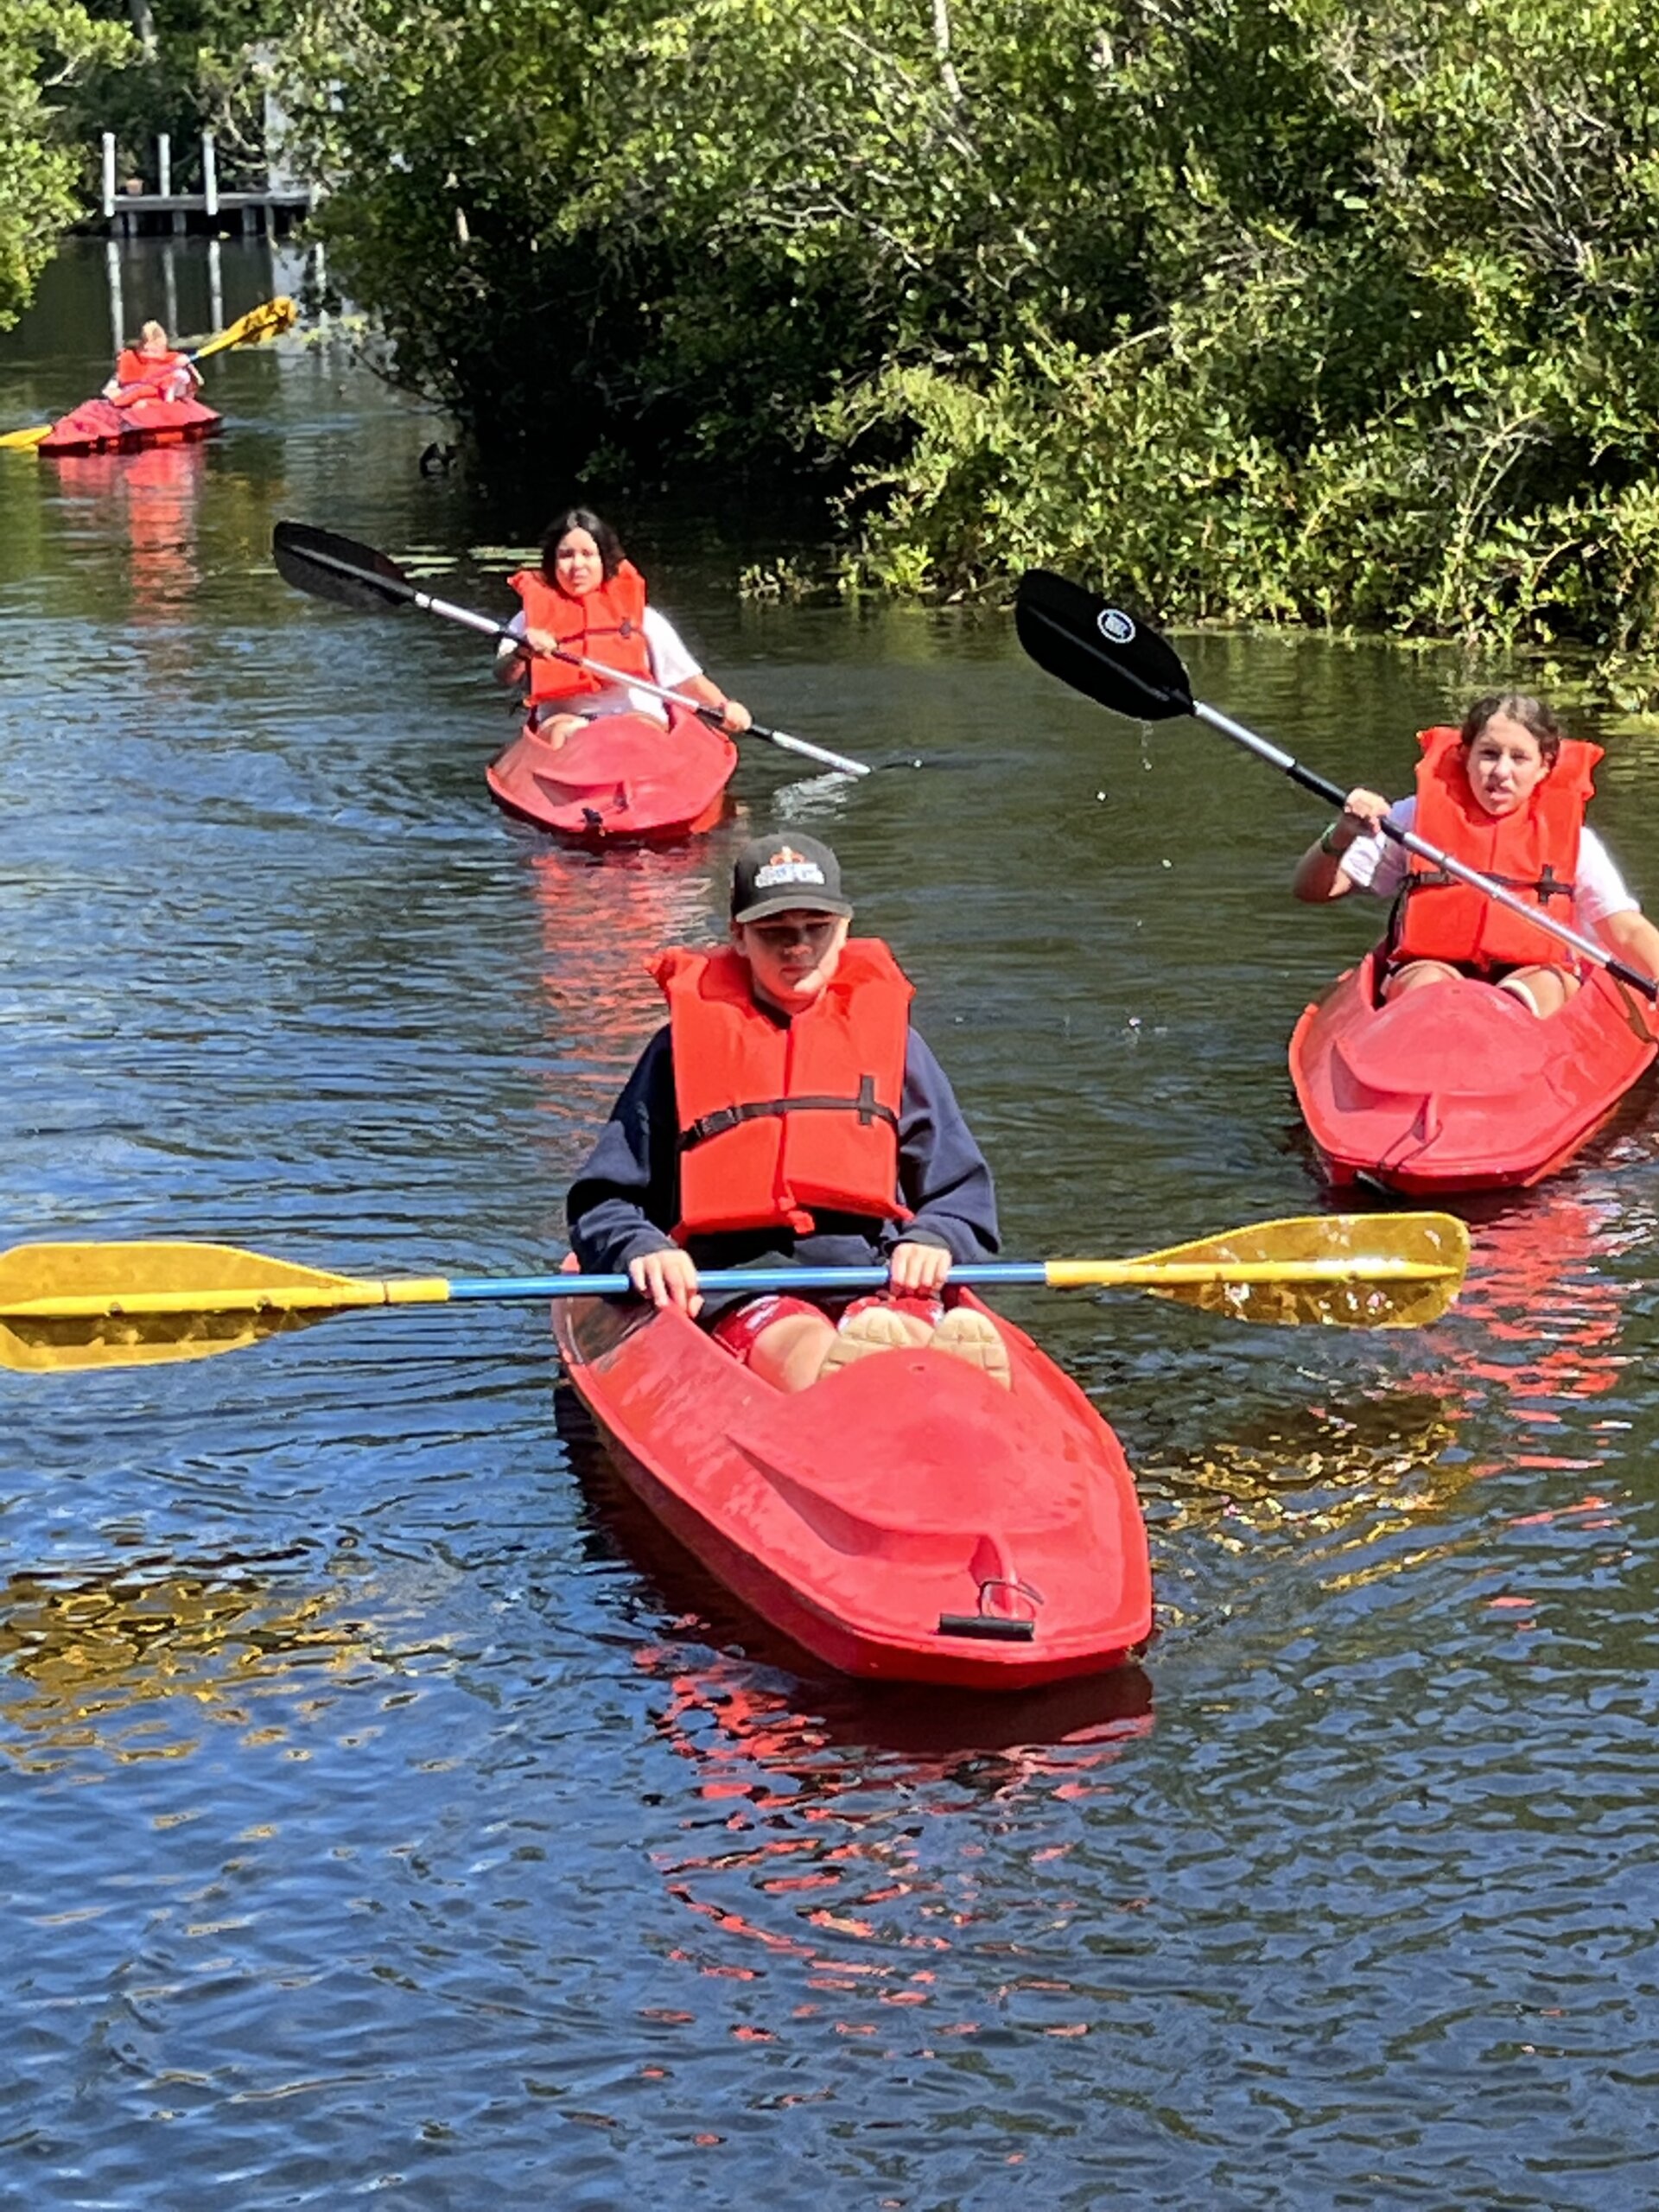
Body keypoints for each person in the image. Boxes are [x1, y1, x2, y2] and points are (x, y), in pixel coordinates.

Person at [567, 832, 1011, 1391]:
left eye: (815, 929)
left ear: (845, 929)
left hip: (876, 1278)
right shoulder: (677, 1050)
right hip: (745, 1284)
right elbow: (604, 1203)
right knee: (797, 1341)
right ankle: (864, 1386)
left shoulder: (895, 1045)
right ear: (739, 937)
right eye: (774, 933)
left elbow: (960, 1193)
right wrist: (642, 1249)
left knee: (897, 1324)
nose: (797, 947)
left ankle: (936, 1377)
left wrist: (935, 1237)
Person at [1292, 692, 1659, 1015]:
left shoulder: (1578, 843)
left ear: (1544, 766)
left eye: (1519, 758)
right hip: (1433, 967)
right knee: (1426, 985)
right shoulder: (1412, 820)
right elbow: (1311, 890)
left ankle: (1504, 1039)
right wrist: (1340, 834)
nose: (1501, 771)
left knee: (1542, 986)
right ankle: (1429, 1045)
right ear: (1465, 756)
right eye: (1488, 754)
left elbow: (1626, 931)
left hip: (1533, 979)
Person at [495, 507, 753, 751]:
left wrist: (724, 706)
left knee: (632, 733)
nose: (577, 566)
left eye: (588, 554)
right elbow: (503, 675)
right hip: (564, 725)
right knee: (566, 733)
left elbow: (686, 680)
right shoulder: (527, 621)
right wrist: (522, 652)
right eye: (566, 555)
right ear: (552, 563)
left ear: (604, 560)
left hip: (636, 720)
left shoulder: (644, 619)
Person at [103, 321, 201, 408]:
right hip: (138, 399)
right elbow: (113, 386)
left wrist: (187, 366)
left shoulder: (175, 361)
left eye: (154, 351)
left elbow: (196, 383)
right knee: (140, 405)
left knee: (180, 375)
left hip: (163, 397)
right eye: (146, 350)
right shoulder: (131, 360)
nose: (150, 355)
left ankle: (168, 399)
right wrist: (112, 391)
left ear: (163, 349)